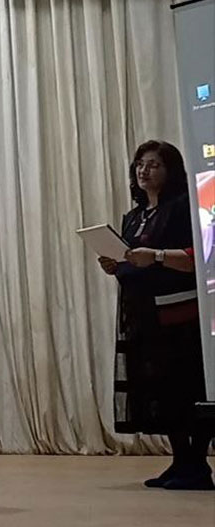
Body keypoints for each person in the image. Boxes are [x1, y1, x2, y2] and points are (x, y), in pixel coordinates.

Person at [99, 140, 212, 490]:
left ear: (170, 170)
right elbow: (133, 261)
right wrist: (115, 264)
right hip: (143, 315)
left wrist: (158, 256)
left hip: (180, 315)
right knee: (160, 392)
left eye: (153, 165)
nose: (144, 171)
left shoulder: (183, 207)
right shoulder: (134, 216)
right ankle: (181, 461)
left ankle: (197, 464)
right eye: (140, 164)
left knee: (187, 388)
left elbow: (200, 256)